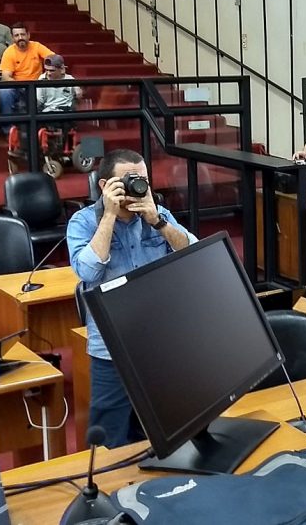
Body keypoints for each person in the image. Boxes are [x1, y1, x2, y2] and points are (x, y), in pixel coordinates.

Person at [67, 149, 195, 447]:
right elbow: (87, 271)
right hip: (112, 350)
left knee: (164, 433)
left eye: (143, 180)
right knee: (110, 440)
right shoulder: (83, 222)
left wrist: (158, 222)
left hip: (160, 346)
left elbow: (194, 254)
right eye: (128, 180)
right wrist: (109, 216)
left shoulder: (158, 215)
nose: (138, 186)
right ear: (104, 186)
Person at [0, 22, 53, 114]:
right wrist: (20, 86)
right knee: (5, 92)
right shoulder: (9, 52)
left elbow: (54, 59)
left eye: (23, 34)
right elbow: (6, 76)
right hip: (18, 86)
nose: (20, 38)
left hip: (37, 85)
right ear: (12, 38)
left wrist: (49, 72)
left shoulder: (37, 46)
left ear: (28, 35)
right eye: (16, 35)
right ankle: (8, 122)